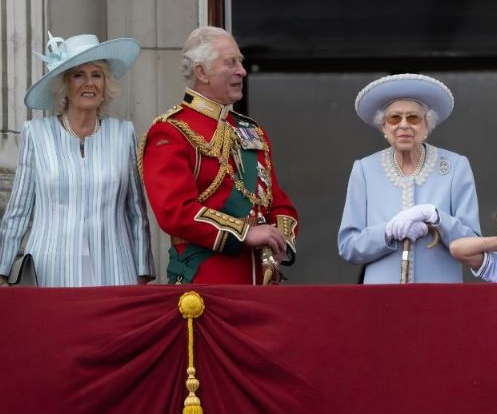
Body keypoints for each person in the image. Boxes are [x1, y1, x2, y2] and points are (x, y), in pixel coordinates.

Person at [140, 26, 298, 284]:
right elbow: (174, 211)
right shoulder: (170, 131)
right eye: (231, 63)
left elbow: (278, 202)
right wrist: (245, 233)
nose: (242, 71)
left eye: (241, 62)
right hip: (207, 285)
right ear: (201, 72)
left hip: (262, 282)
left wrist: (277, 240)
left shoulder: (251, 130)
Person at [0, 33, 154, 286]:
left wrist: (142, 270)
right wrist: (2, 272)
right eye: (78, 75)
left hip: (115, 269)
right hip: (51, 270)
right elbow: (19, 210)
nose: (89, 83)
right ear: (64, 85)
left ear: (106, 85)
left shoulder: (122, 133)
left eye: (97, 75)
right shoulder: (37, 134)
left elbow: (136, 211)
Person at [338, 73, 481, 284]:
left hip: (440, 295)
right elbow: (348, 247)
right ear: (384, 128)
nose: (403, 125)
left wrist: (436, 218)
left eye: (413, 118)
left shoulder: (455, 166)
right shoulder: (364, 169)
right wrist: (387, 232)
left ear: (426, 126)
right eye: (394, 118)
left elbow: (473, 244)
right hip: (382, 298)